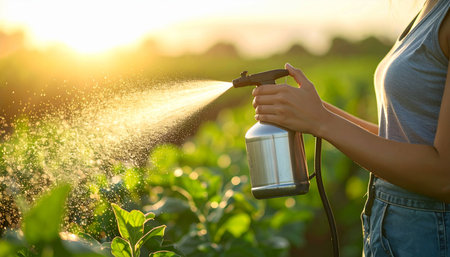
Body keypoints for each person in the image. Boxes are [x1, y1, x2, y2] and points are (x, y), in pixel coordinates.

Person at [251, 0, 450, 256]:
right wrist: (315, 111)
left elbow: (444, 177)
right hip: (397, 231)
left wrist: (322, 121)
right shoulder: (427, 11)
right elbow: (404, 138)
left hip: (428, 237)